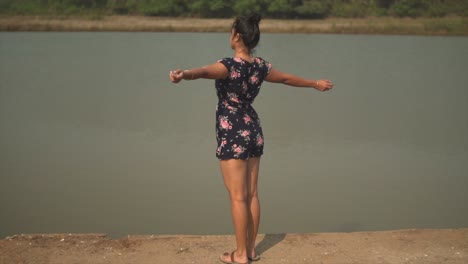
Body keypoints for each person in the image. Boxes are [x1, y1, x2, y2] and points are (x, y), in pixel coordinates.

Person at [169, 13, 333, 264]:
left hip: (232, 131)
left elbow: (204, 72)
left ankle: (241, 255)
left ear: (236, 35)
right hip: (253, 128)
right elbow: (287, 79)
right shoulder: (261, 66)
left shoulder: (228, 65)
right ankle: (252, 250)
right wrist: (315, 83)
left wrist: (185, 74)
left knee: (237, 196)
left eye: (231, 31)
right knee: (252, 194)